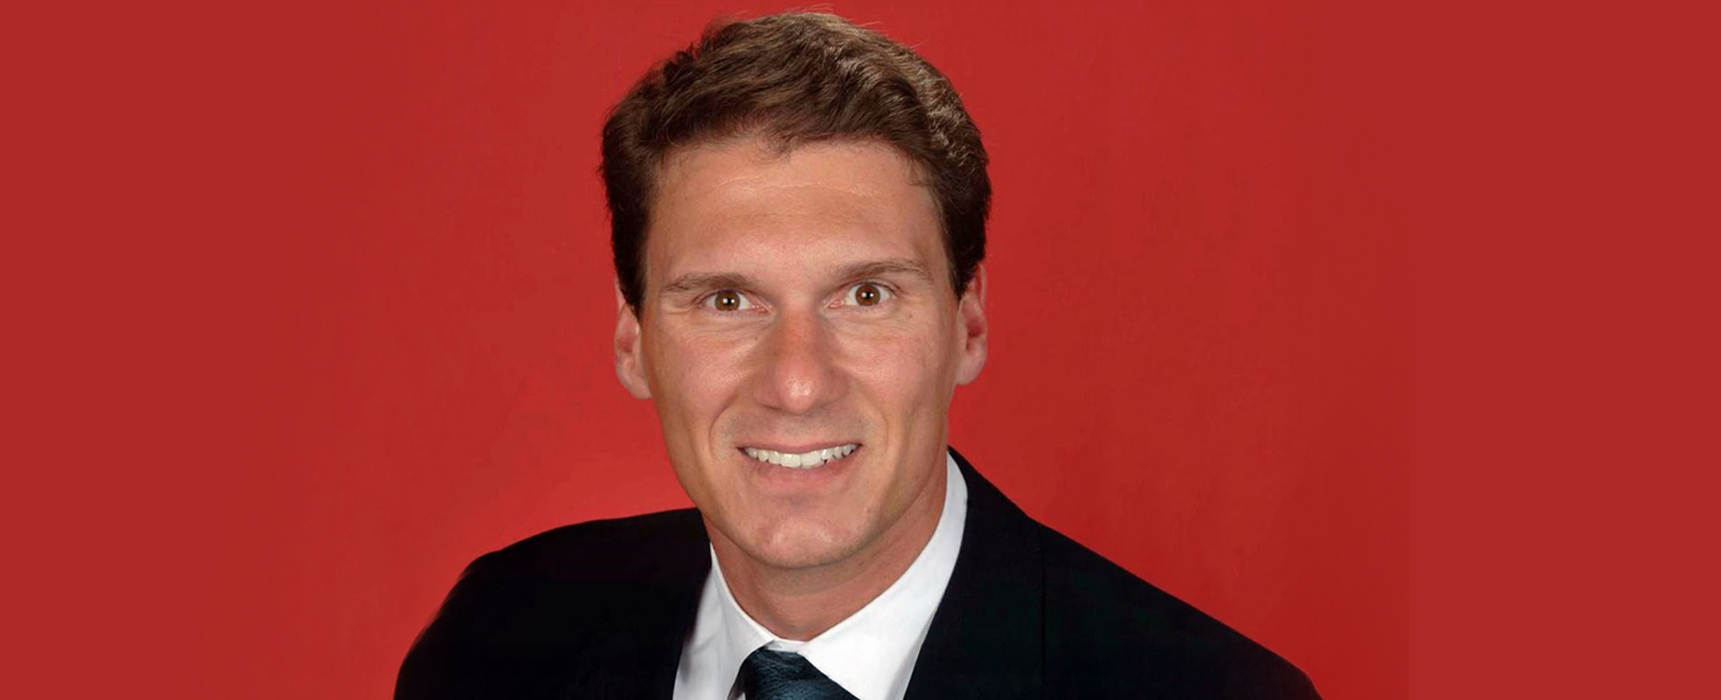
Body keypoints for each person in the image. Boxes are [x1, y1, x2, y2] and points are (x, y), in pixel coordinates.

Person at [397, 12, 1316, 699]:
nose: (797, 383)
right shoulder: (497, 639)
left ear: (967, 323)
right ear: (633, 338)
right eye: (727, 301)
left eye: (866, 296)